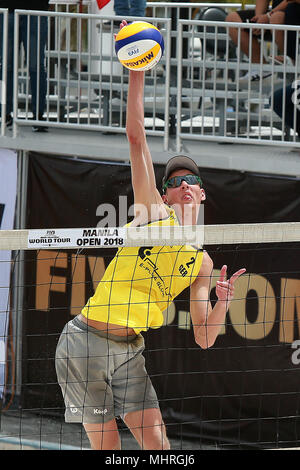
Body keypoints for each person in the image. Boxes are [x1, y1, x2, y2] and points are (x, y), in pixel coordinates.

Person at [55, 20, 246, 451]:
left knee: (159, 446)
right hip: (85, 341)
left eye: (190, 178)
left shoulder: (201, 263)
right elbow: (137, 137)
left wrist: (223, 305)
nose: (183, 183)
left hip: (129, 352)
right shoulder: (152, 213)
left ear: (201, 192)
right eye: (175, 179)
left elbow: (204, 337)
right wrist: (136, 67)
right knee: (109, 450)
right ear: (165, 192)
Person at [0, 1, 49, 131]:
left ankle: (38, 116)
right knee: (5, 66)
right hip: (7, 10)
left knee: (35, 66)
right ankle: (4, 114)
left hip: (35, 10)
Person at [226, 0, 289, 82]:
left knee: (277, 18)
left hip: (290, 14)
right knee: (232, 19)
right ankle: (262, 69)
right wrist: (258, 19)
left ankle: (291, 65)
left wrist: (268, 16)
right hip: (274, 16)